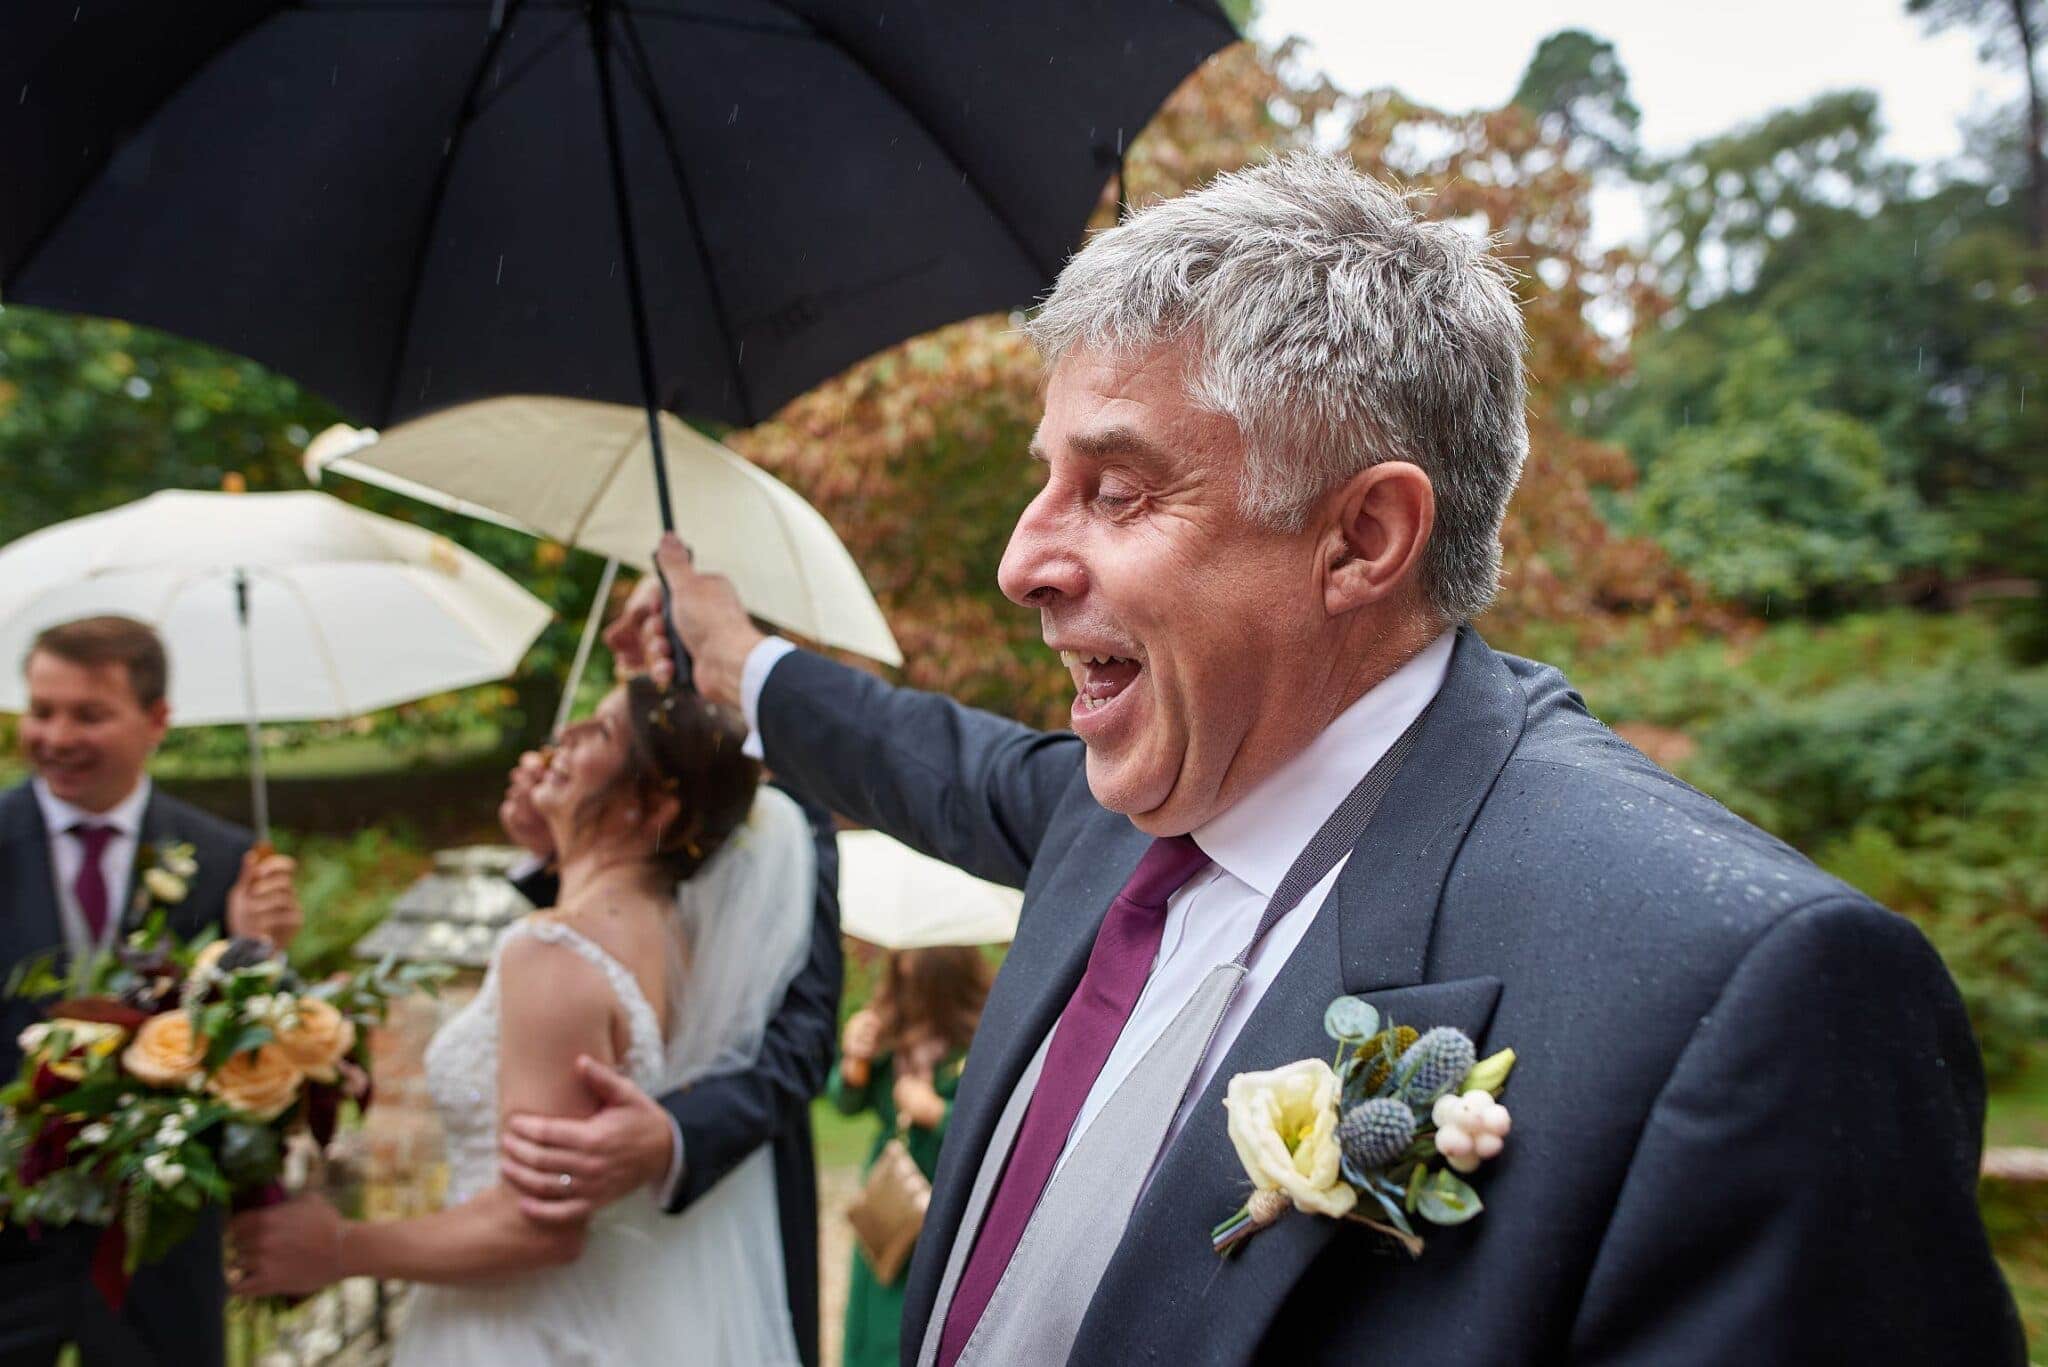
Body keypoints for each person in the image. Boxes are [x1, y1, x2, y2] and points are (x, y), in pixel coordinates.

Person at [624, 154, 2026, 1365]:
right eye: (1041, 479)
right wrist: (739, 662)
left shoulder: (1749, 992)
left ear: (1362, 538)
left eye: (1114, 490)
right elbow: (937, 760)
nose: (1021, 561)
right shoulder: (1119, 810)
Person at [231, 678, 814, 1363]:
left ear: (652, 803)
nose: (560, 738)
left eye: (596, 733)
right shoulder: (678, 942)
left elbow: (538, 1228)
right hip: (595, 1312)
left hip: (511, 1329)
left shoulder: (553, 950)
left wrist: (340, 1247)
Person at [490, 596, 842, 1367]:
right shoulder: (628, 777)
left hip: (721, 1192)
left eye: (653, 631)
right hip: (593, 1205)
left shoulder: (787, 817)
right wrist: (551, 848)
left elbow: (803, 1040)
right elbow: (609, 956)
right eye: (628, 635)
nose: (632, 649)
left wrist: (674, 1137)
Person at [0, 615, 301, 1367]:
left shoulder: (227, 858)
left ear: (157, 720)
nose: (57, 735)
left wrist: (259, 953)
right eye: (42, 710)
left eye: (88, 713)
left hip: (160, 1243)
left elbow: (254, 1054)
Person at [831, 946, 990, 1367]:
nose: (909, 995)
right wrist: (854, 1061)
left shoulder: (982, 1041)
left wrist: (936, 1112)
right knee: (875, 1305)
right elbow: (846, 1102)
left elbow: (994, 1123)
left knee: (925, 1311)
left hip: (942, 1190)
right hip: (891, 1194)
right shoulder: (889, 1027)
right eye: (901, 979)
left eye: (920, 986)